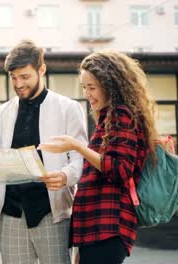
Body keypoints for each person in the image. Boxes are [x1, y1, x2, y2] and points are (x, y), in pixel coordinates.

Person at [39, 51, 158, 264]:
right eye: (84, 87)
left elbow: (121, 170)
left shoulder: (122, 115)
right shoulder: (108, 117)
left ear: (110, 85)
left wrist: (77, 146)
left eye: (92, 87)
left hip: (108, 226)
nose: (87, 93)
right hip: (95, 227)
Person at [0, 40, 88, 264]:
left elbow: (79, 158)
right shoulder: (3, 112)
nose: (18, 84)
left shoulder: (69, 108)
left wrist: (66, 176)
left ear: (41, 69)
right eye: (14, 78)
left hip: (51, 214)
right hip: (11, 214)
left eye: (24, 77)